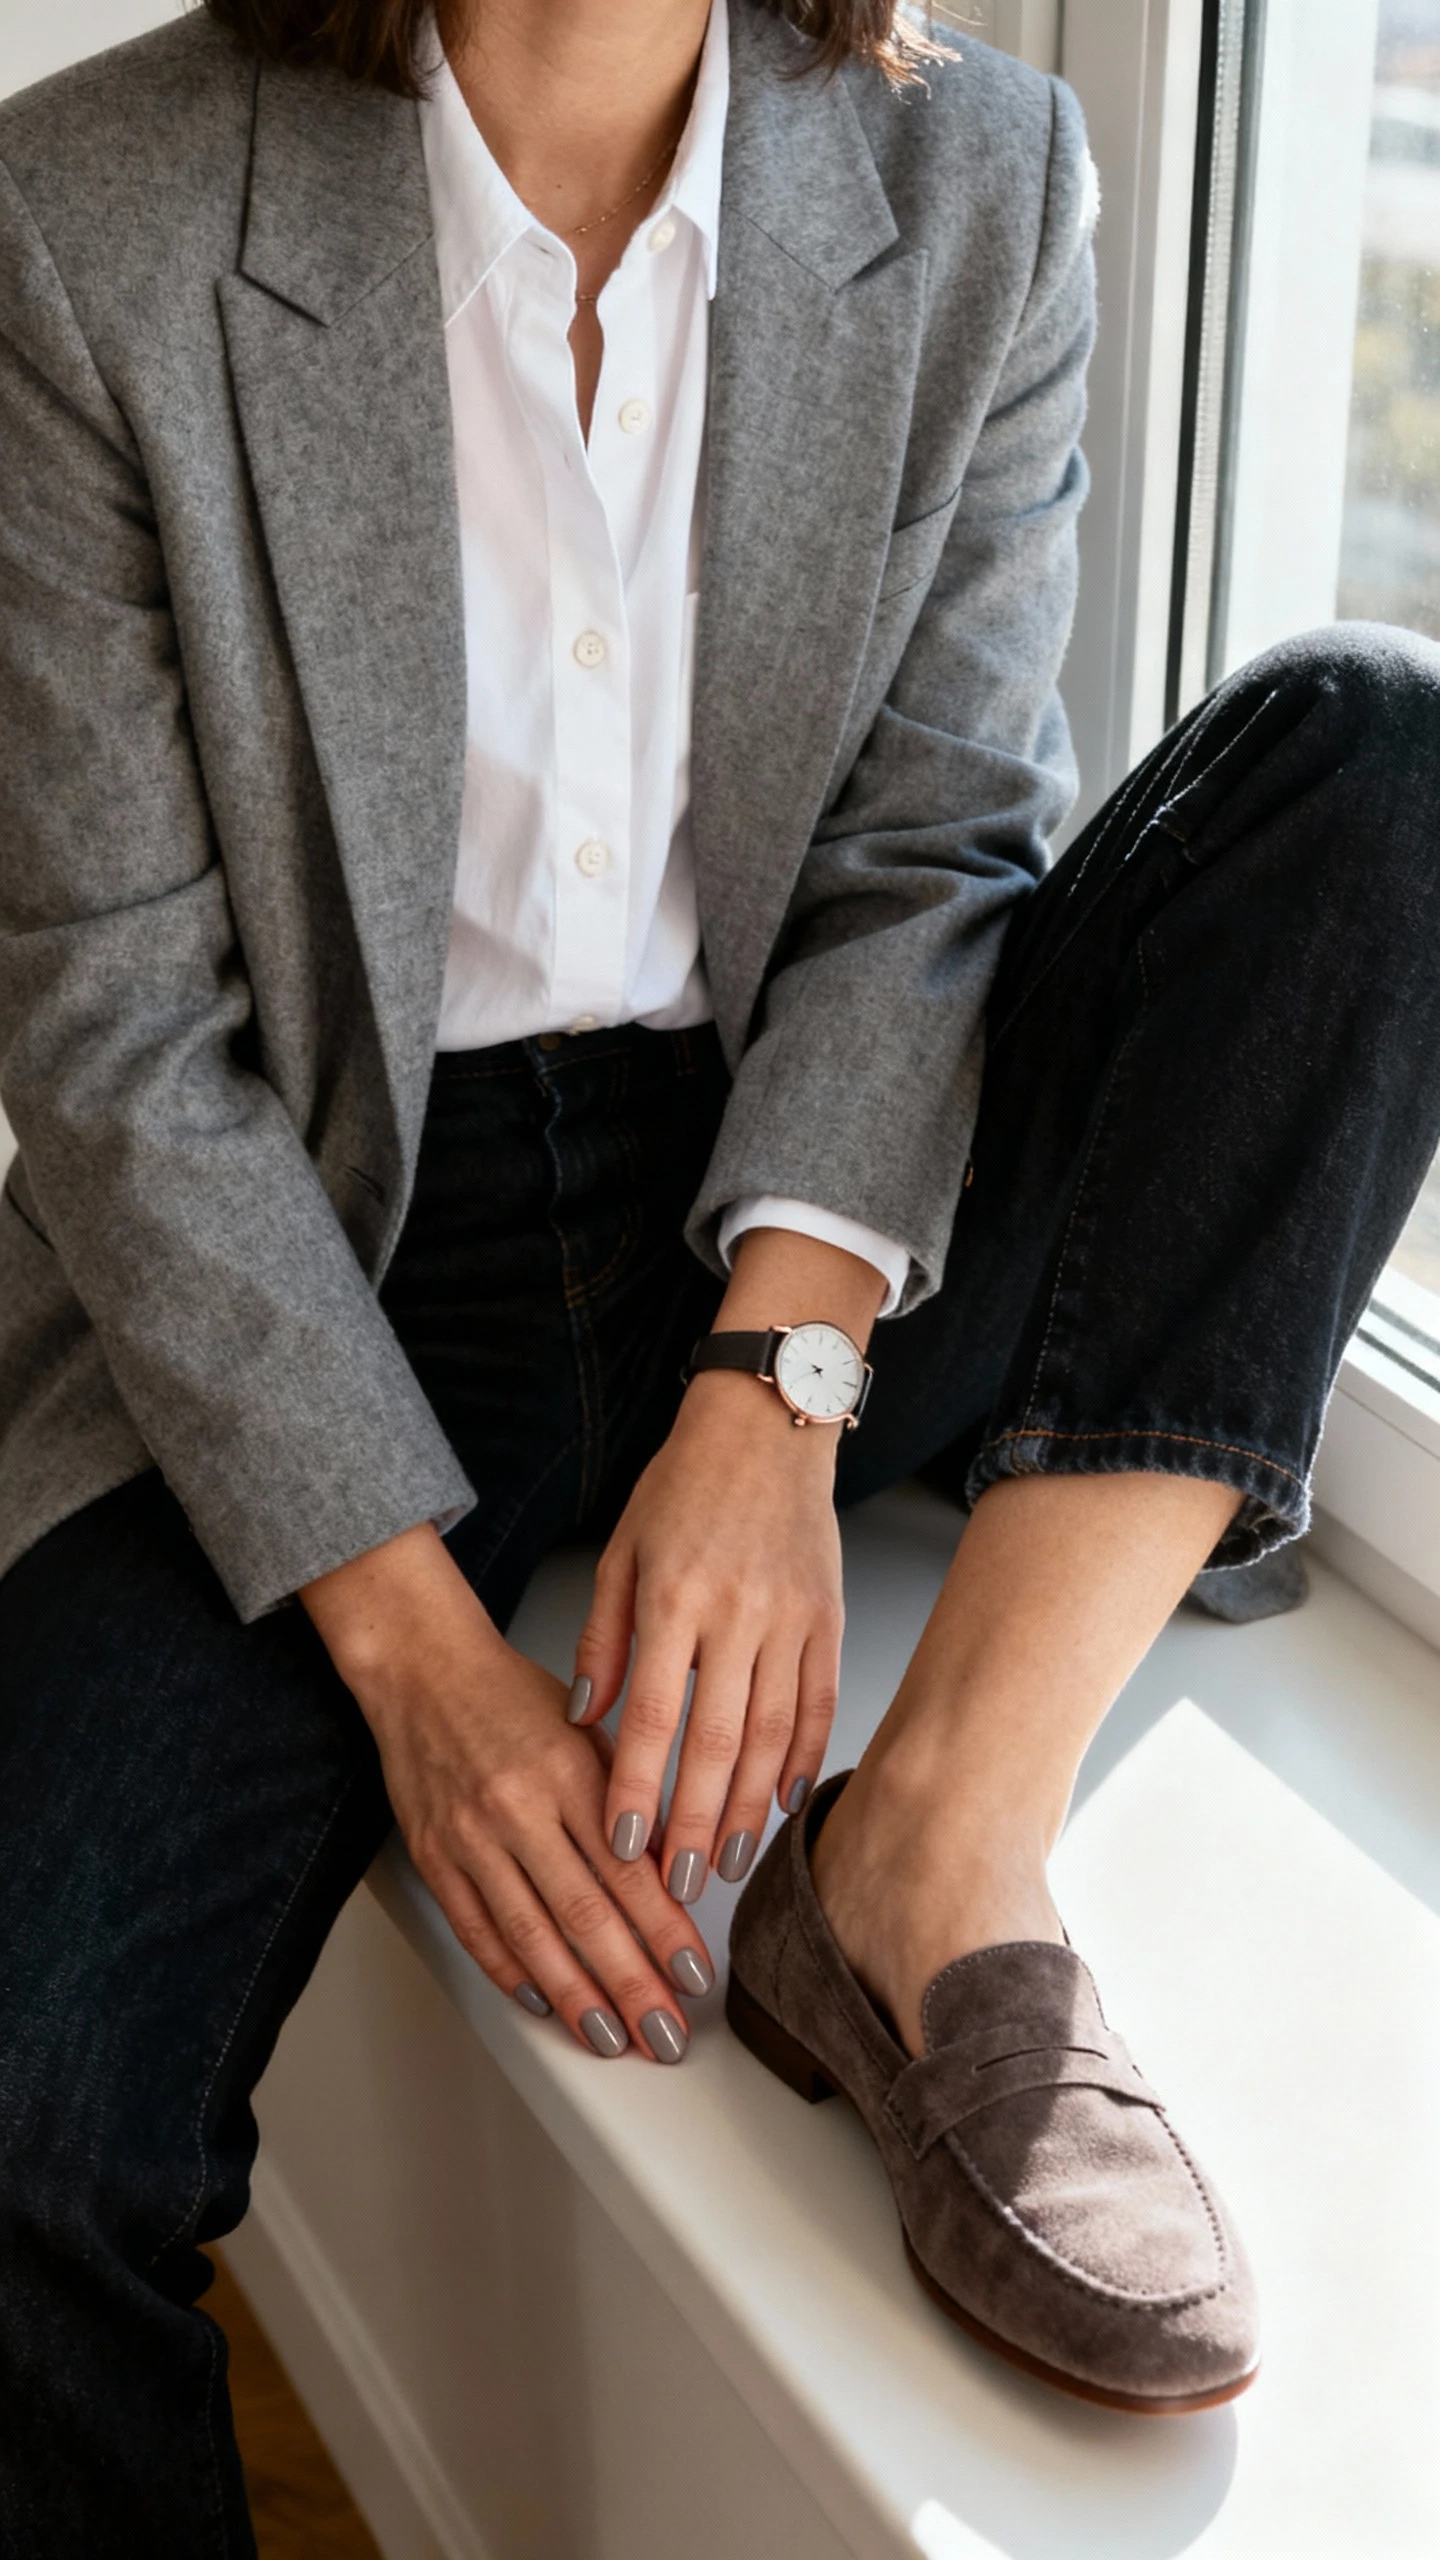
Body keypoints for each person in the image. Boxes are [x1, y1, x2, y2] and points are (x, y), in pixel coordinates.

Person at [3, 0, 1440, 2533]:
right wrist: (428, 1666)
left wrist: (777, 1374)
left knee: (1382, 763)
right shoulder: (82, 217)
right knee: (17, 2120)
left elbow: (935, 850)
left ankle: (929, 1859)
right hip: (330, 1230)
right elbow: (119, 1041)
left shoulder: (985, 170)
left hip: (823, 1195)